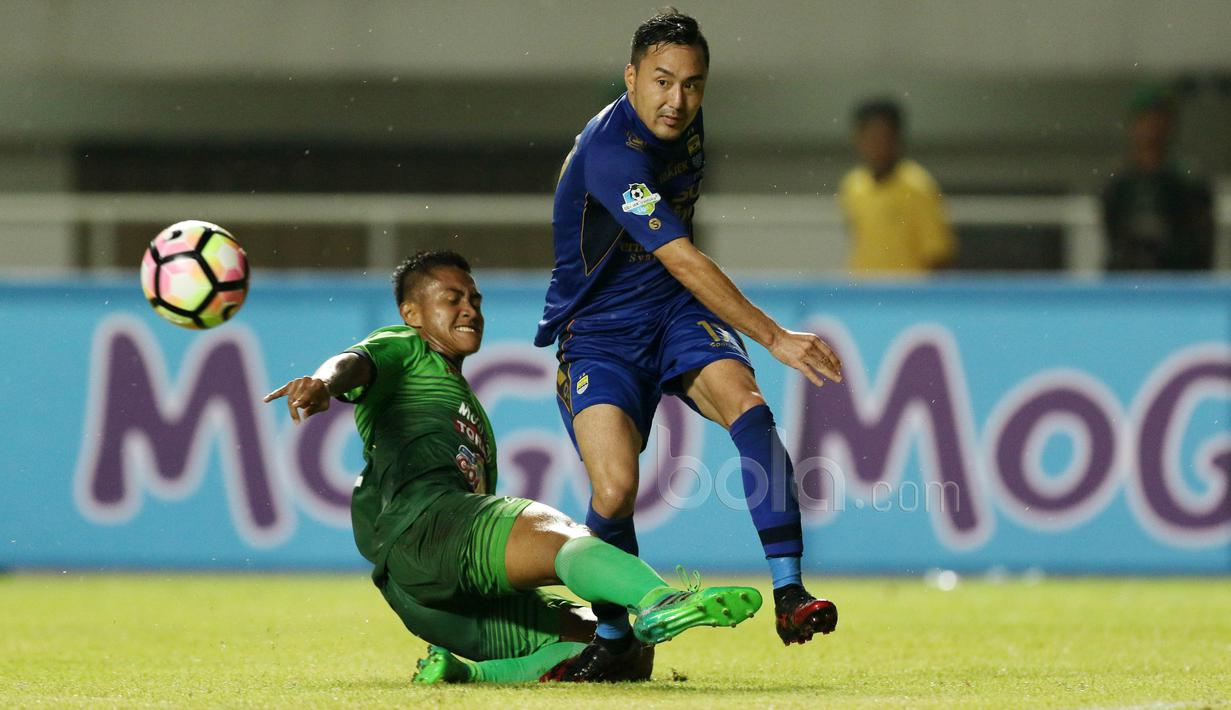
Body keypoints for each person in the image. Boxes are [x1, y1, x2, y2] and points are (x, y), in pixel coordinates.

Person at [264, 250, 762, 684]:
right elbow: (355, 362)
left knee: (624, 652)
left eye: (475, 299)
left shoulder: (470, 412)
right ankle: (658, 599)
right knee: (563, 536)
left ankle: (464, 674)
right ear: (410, 311)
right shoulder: (405, 346)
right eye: (452, 297)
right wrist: (323, 383)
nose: (469, 309)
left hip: (424, 599)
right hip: (428, 526)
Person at [536, 9, 843, 680]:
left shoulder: (682, 124)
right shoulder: (611, 154)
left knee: (748, 406)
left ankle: (789, 593)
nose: (677, 101)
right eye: (661, 82)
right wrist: (771, 335)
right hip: (598, 333)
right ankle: (615, 640)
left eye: (693, 85)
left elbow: (678, 269)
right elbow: (682, 257)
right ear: (631, 77)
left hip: (671, 314)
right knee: (613, 491)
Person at [1101, 85, 1215, 271]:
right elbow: (1114, 242)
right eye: (1145, 119)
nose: (1152, 127)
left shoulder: (1188, 181)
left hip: (1178, 282)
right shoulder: (1119, 182)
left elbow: (1201, 246)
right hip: (1129, 283)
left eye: (1159, 119)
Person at [838, 98, 956, 276]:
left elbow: (938, 255)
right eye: (869, 137)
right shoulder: (852, 185)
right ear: (858, 139)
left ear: (897, 139)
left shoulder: (919, 187)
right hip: (863, 292)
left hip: (906, 296)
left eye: (882, 137)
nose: (875, 146)